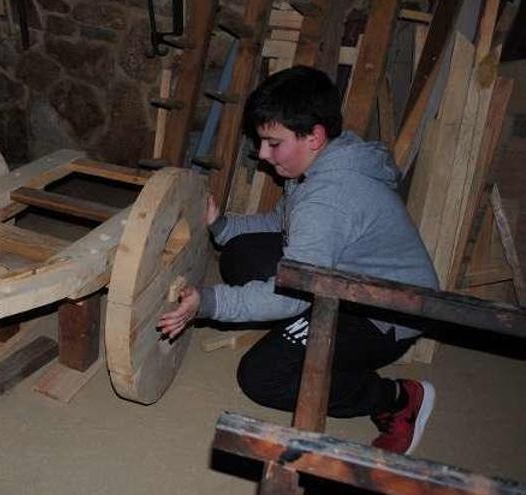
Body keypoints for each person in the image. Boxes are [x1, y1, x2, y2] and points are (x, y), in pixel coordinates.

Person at [158, 66, 440, 456]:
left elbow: (293, 292)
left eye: (273, 143)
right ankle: (299, 333)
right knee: (240, 254)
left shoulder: (329, 198)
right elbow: (281, 223)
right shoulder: (317, 165)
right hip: (346, 279)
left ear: (315, 137)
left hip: (387, 315)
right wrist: (221, 225)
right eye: (261, 141)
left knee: (263, 377)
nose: (262, 154)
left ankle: (396, 399)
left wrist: (209, 302)